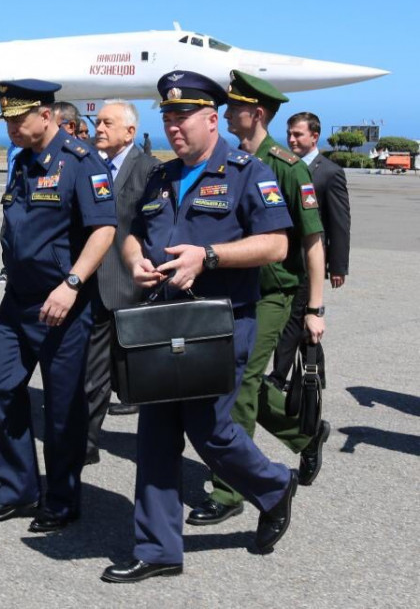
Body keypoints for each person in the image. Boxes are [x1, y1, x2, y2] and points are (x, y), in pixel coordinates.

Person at [101, 71, 297, 584]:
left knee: (211, 433)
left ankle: (274, 487)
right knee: (156, 435)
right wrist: (133, 262)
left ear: (213, 119)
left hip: (220, 325)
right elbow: (130, 235)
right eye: (167, 117)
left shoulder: (246, 173)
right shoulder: (159, 177)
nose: (173, 127)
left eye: (182, 116)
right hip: (162, 324)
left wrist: (207, 256)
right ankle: (157, 548)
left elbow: (276, 245)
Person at [0, 80, 116, 533]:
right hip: (18, 301)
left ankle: (61, 498)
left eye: (19, 119)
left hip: (63, 304)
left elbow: (104, 229)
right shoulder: (24, 161)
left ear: (47, 116)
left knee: (62, 407)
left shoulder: (80, 160)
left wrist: (73, 282)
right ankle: (17, 488)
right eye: (8, 120)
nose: (11, 127)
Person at [186, 71, 326, 528]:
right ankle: (304, 434)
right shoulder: (228, 162)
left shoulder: (287, 166)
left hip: (270, 294)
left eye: (234, 107)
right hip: (229, 289)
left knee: (240, 385)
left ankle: (230, 491)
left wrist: (315, 308)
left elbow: (311, 241)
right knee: (239, 380)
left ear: (256, 113)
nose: (225, 113)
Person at [263, 111, 351, 482]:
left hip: (307, 268)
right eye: (289, 134)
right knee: (283, 338)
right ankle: (283, 392)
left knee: (292, 339)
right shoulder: (281, 166)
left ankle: (284, 388)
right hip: (282, 267)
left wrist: (337, 266)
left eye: (298, 135)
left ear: (314, 136)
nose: (293, 139)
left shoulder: (328, 172)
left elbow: (338, 221)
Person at [83, 100, 159, 464]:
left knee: (142, 371)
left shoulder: (149, 170)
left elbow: (153, 229)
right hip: (92, 284)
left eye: (107, 123)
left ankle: (160, 443)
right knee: (92, 371)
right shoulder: (89, 165)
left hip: (132, 284)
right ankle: (87, 442)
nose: (98, 128)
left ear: (130, 131)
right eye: (97, 122)